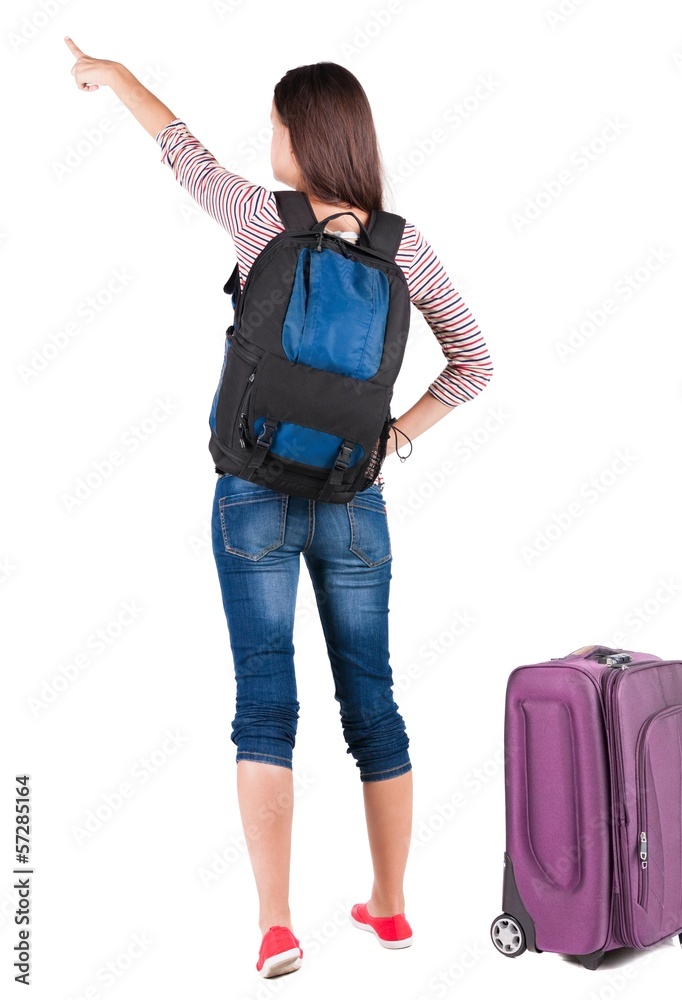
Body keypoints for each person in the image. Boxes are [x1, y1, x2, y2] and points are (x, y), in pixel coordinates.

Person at [65, 37, 494, 979]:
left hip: (252, 492)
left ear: (299, 137)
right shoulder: (402, 246)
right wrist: (392, 438)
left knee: (264, 704)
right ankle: (389, 909)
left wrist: (115, 77)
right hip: (353, 498)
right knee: (373, 702)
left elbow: (181, 153)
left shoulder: (263, 218)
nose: (268, 141)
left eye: (273, 125)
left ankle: (275, 927)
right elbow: (474, 363)